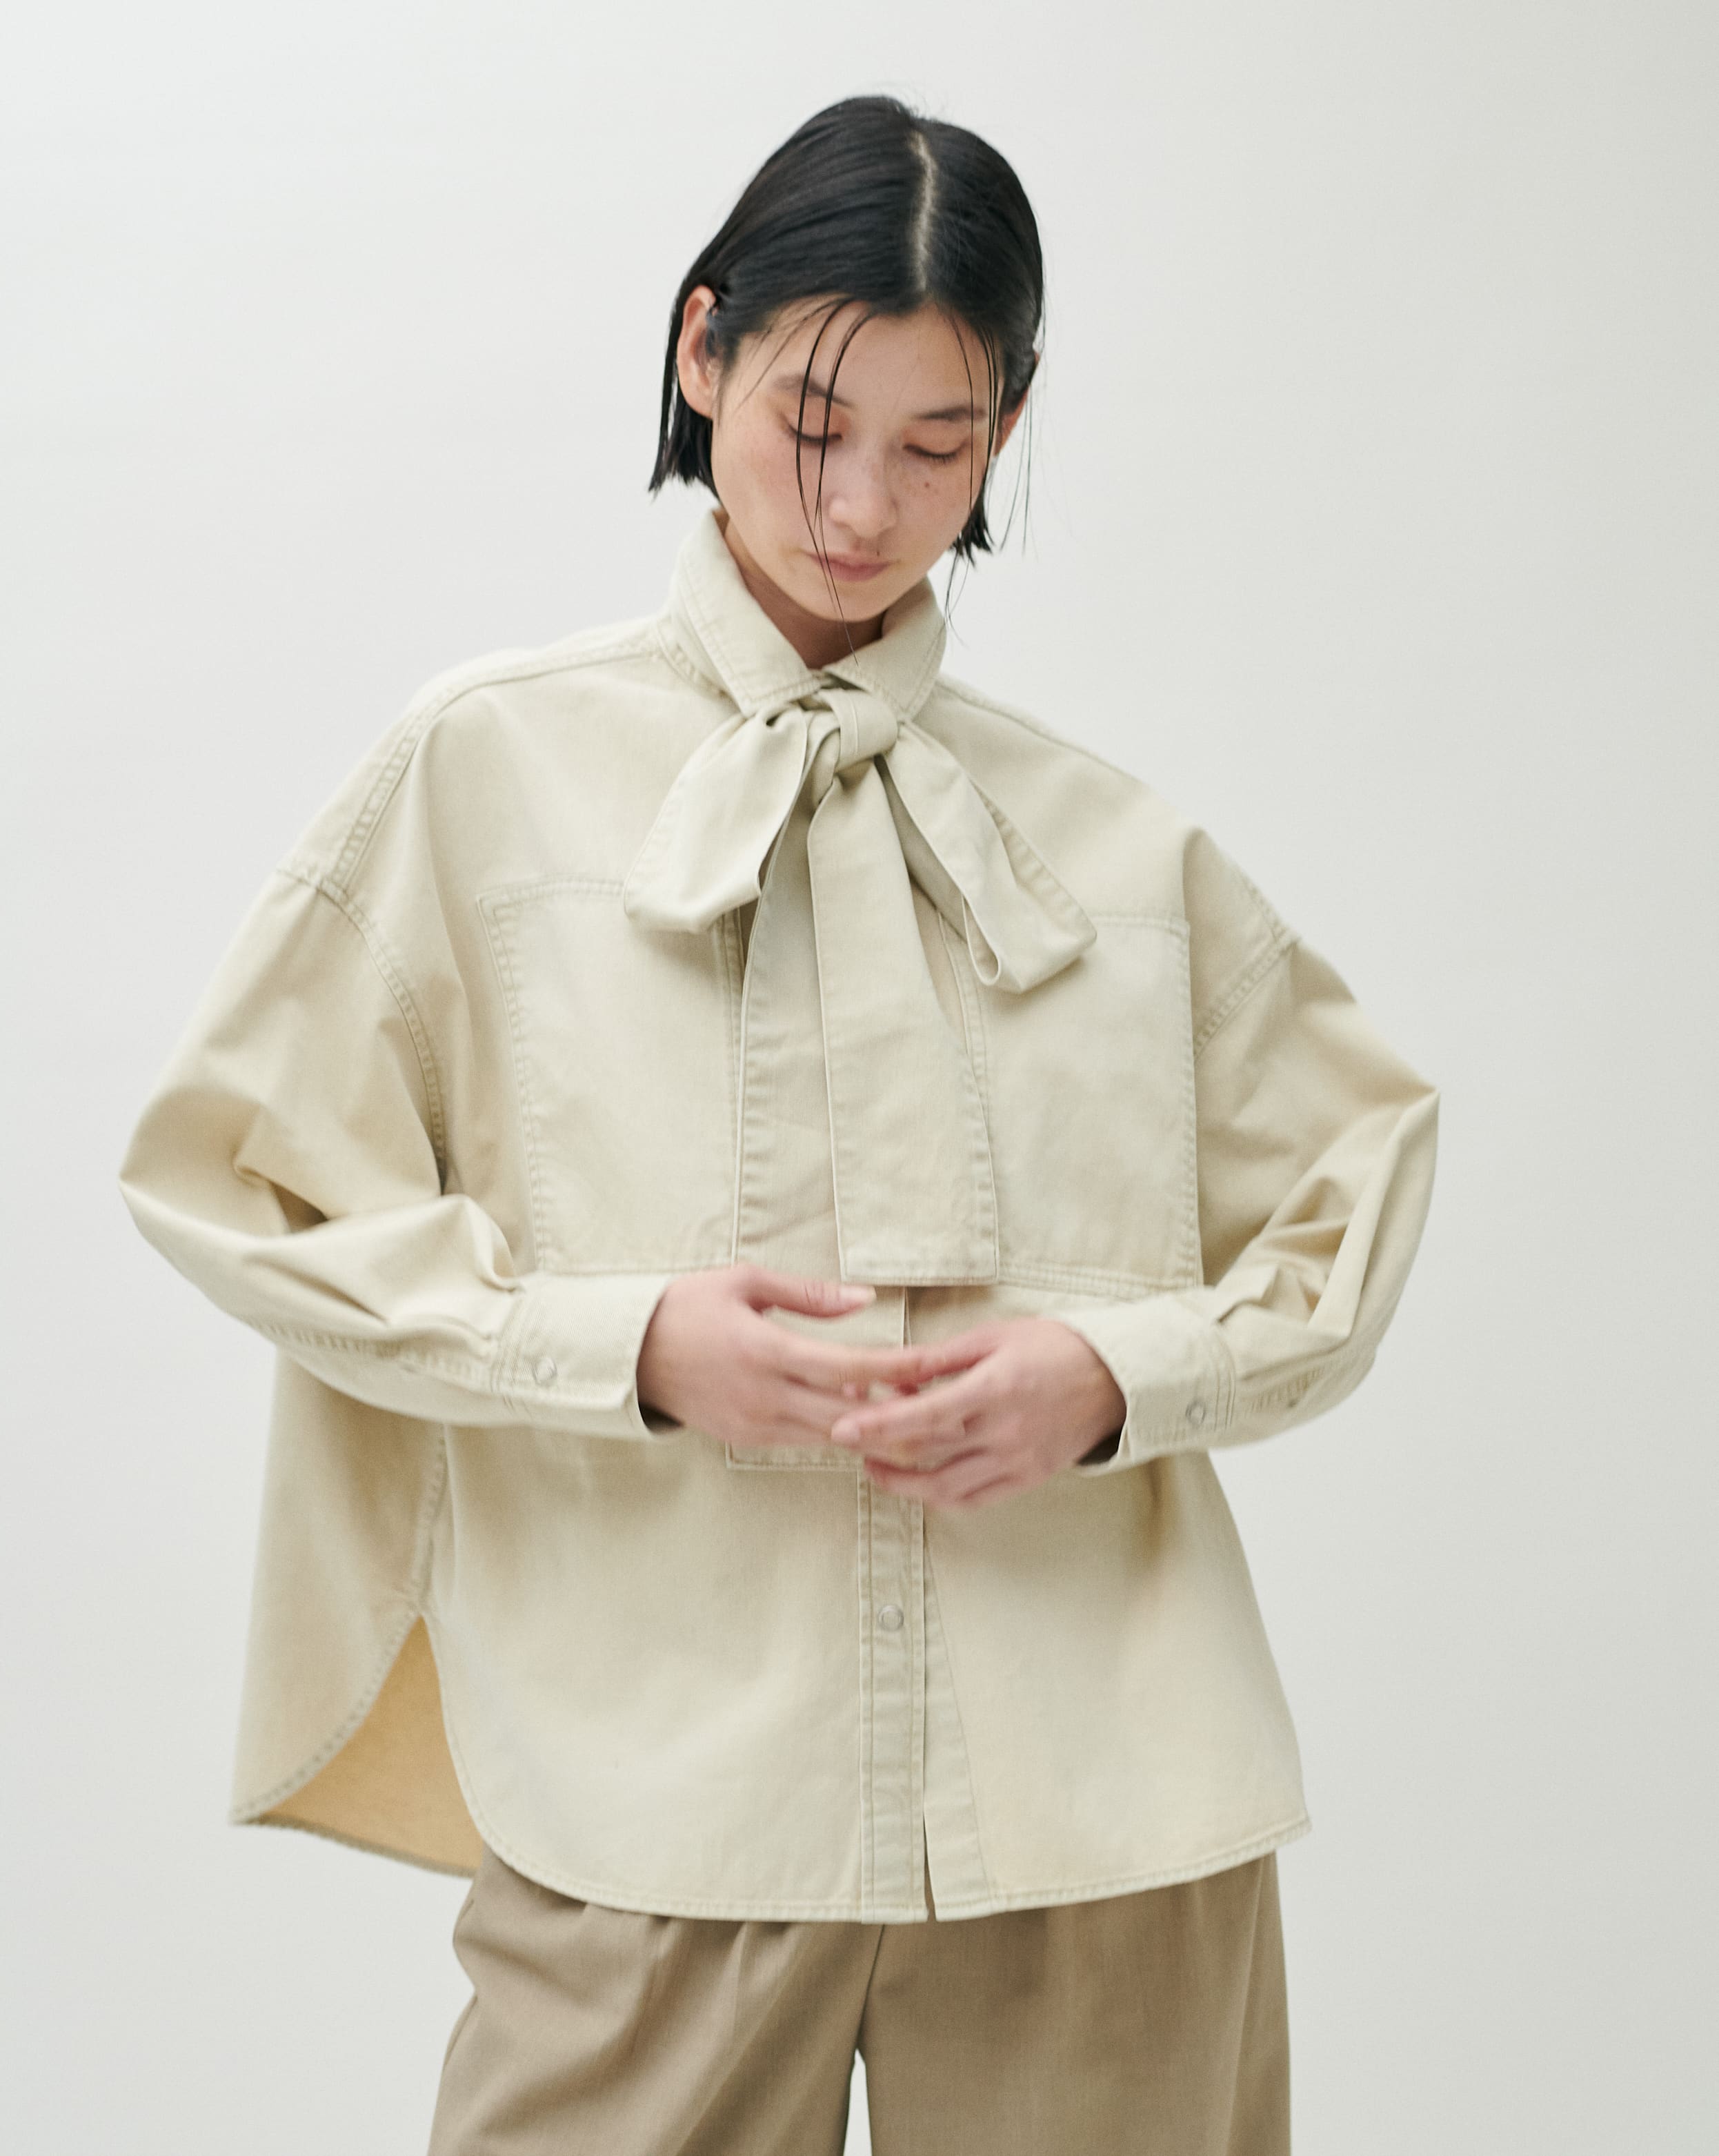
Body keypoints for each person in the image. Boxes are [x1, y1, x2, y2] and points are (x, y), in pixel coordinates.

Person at [119, 92, 1439, 2156]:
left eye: (937, 445)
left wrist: (1113, 1379)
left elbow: (1352, 1196)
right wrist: (627, 1347)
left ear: (1005, 432)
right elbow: (236, 1178)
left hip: (1103, 1816)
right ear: (700, 350)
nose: (858, 506)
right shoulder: (487, 777)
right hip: (654, 1812)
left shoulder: (1111, 846)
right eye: (814, 423)